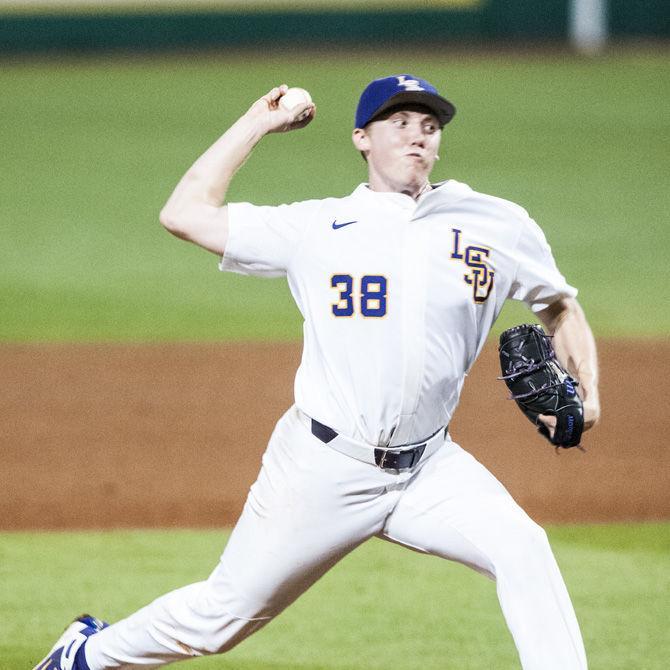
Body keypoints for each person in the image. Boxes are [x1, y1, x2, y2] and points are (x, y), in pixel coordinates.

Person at [35, 74, 600, 670]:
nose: (417, 138)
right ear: (362, 138)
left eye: (429, 126)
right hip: (324, 468)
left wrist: (588, 395)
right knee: (221, 618)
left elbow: (558, 304)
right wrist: (259, 121)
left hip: (430, 466)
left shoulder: (497, 224)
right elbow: (184, 213)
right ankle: (85, 656)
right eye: (399, 124)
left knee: (524, 550)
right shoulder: (315, 229)